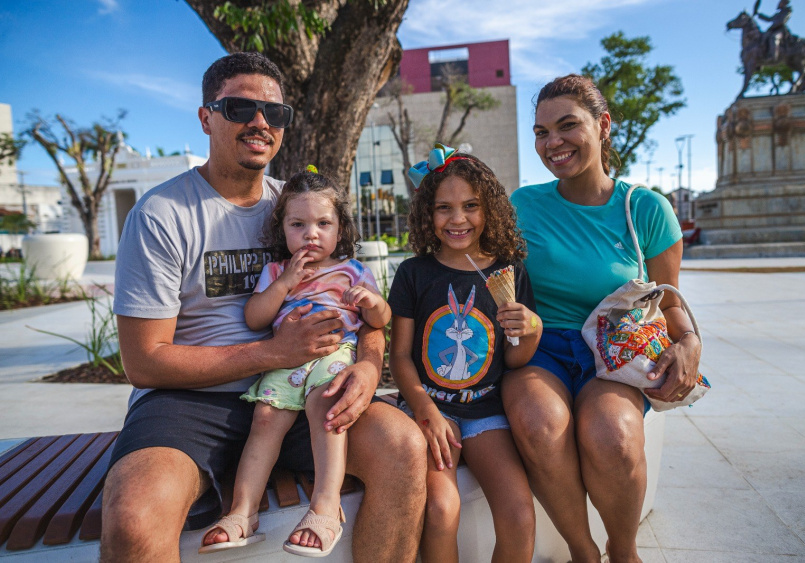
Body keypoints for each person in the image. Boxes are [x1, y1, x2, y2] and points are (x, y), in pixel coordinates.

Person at [101, 52, 426, 563]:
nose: (259, 122)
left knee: (404, 448)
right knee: (134, 518)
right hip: (189, 402)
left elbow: (358, 304)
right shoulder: (162, 215)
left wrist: (366, 364)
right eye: (240, 107)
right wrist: (273, 353)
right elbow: (143, 361)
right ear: (207, 116)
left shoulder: (298, 209)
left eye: (273, 113)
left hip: (308, 386)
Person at [506, 75, 702, 563]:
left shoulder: (646, 209)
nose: (552, 143)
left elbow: (670, 300)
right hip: (539, 349)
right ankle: (582, 552)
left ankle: (623, 550)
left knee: (612, 434)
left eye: (567, 126)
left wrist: (690, 342)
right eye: (541, 132)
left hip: (612, 351)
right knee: (538, 423)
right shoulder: (522, 205)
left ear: (603, 125)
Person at [199, 169, 391, 557]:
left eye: (324, 223)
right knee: (265, 419)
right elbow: (255, 318)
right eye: (297, 224)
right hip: (285, 360)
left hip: (332, 355)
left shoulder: (353, 270)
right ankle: (242, 511)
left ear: (340, 228)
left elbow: (381, 321)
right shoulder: (275, 272)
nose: (311, 234)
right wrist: (285, 282)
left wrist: (373, 303)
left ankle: (325, 505)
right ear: (282, 229)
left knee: (327, 407)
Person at [388, 145, 541, 563]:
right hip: (430, 410)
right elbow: (399, 356)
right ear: (427, 214)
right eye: (444, 208)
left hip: (487, 412)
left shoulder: (509, 271)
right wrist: (425, 411)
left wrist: (532, 329)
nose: (458, 219)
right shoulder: (413, 273)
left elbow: (514, 361)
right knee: (440, 509)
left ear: (489, 208)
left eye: (471, 205)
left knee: (519, 514)